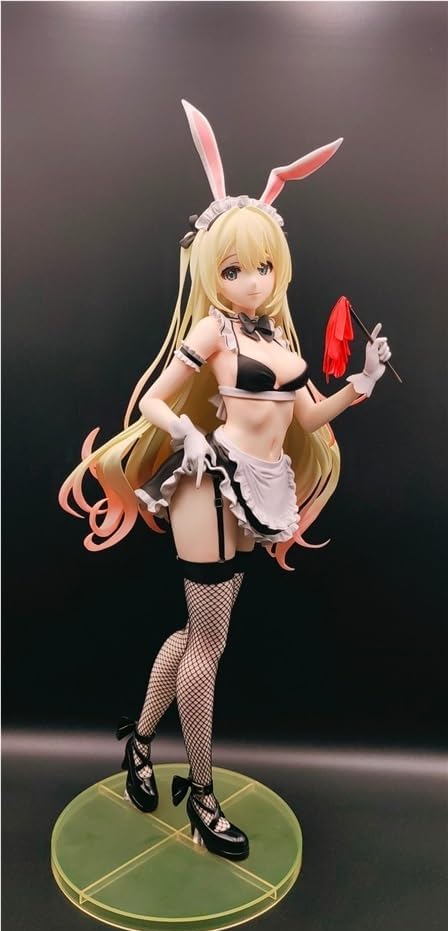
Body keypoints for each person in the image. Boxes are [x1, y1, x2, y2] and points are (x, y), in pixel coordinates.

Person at [59, 100, 391, 862]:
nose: (250, 280)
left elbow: (308, 418)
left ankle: (140, 742)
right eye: (235, 268)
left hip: (259, 488)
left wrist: (363, 382)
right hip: (208, 486)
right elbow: (155, 401)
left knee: (197, 637)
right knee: (210, 645)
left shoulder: (276, 337)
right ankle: (201, 795)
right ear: (212, 269)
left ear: (279, 267)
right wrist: (185, 435)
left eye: (263, 266)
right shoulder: (212, 329)